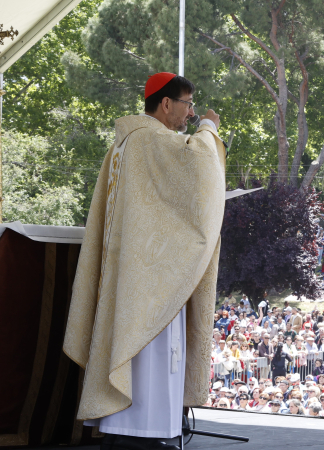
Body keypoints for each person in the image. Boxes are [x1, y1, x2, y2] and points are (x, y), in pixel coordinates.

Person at [64, 73, 226, 450]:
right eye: (188, 105)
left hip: (133, 271)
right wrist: (209, 128)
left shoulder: (126, 143)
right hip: (152, 278)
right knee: (149, 352)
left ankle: (132, 428)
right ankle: (146, 431)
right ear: (166, 104)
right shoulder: (152, 138)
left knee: (132, 346)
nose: (190, 114)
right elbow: (200, 167)